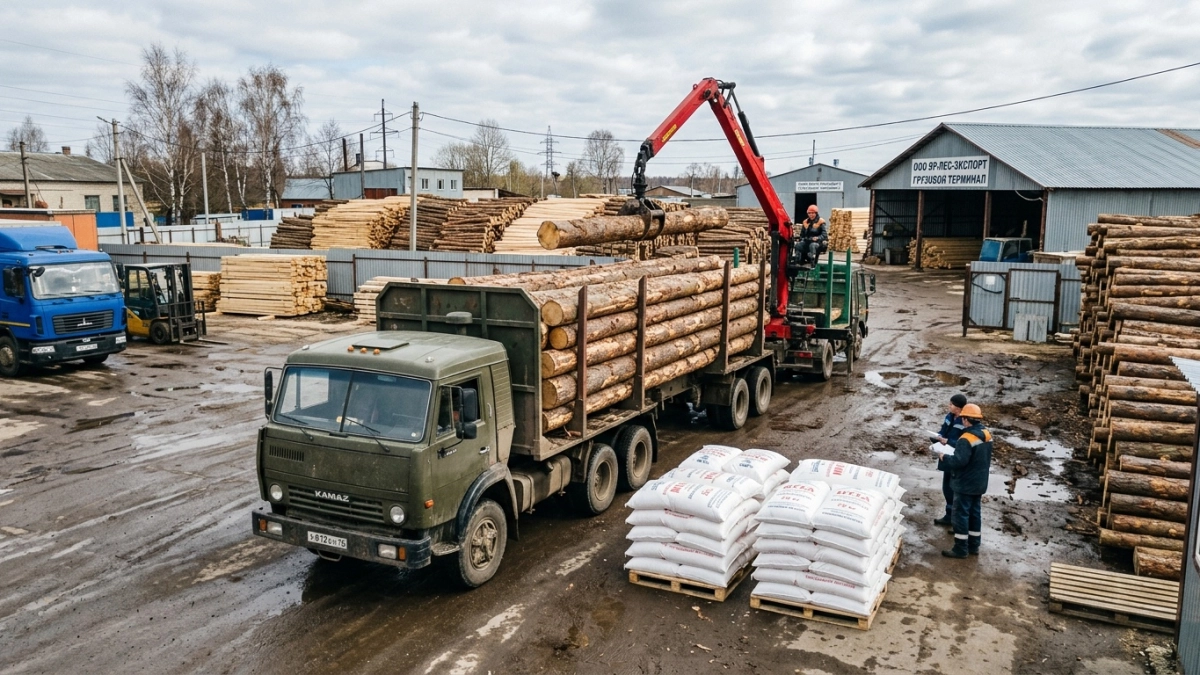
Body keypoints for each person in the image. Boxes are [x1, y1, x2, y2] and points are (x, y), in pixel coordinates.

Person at [939, 403, 992, 558]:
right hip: (980, 481)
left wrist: (944, 457)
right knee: (975, 513)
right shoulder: (986, 434)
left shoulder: (966, 438)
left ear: (967, 420)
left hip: (965, 483)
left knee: (960, 514)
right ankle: (974, 545)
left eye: (963, 418)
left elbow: (958, 461)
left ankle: (961, 548)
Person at [933, 394, 968, 526]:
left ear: (958, 408)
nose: (949, 406)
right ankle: (949, 516)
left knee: (955, 489)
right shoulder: (949, 416)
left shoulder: (965, 421)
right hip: (946, 455)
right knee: (947, 488)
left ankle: (956, 519)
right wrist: (939, 436)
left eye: (951, 404)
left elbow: (964, 441)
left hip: (955, 457)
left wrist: (949, 441)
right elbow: (943, 429)